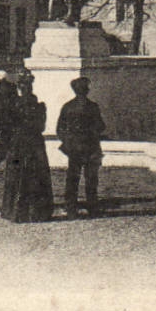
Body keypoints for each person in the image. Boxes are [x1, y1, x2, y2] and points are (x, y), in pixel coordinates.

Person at [0, 73, 53, 223]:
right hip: (34, 143)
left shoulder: (13, 106)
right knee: (35, 175)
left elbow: (6, 125)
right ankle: (37, 212)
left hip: (18, 143)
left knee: (17, 176)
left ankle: (15, 211)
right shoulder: (39, 106)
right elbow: (41, 126)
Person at [56, 76, 106, 218]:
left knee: (72, 178)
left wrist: (68, 142)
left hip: (74, 148)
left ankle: (71, 208)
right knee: (91, 178)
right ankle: (93, 208)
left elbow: (60, 129)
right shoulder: (93, 107)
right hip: (90, 147)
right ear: (87, 90)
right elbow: (101, 126)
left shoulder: (67, 107)